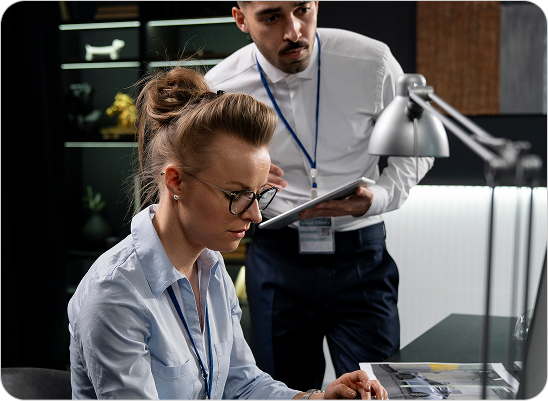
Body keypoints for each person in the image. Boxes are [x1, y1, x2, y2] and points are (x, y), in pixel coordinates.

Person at [67, 65, 388, 399]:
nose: (255, 214)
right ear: (176, 181)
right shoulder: (115, 295)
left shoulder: (211, 265)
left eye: (259, 193)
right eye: (236, 196)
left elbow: (241, 383)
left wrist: (317, 398)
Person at [205, 1, 434, 391]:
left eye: (303, 10)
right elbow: (201, 178)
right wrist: (244, 184)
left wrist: (378, 197)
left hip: (360, 256)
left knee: (374, 389)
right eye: (272, 17)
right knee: (281, 390)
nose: (293, 31)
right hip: (278, 259)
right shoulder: (220, 87)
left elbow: (419, 147)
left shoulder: (373, 61)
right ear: (241, 19)